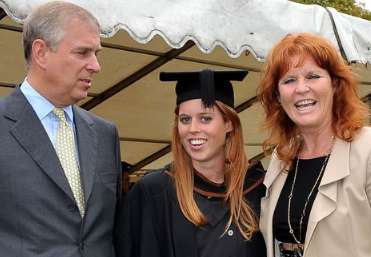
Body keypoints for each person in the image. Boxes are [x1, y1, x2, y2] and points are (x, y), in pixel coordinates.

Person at [0, 1, 122, 256]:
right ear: (41, 53)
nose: (96, 66)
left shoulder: (105, 133)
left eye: (96, 53)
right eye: (82, 53)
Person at [114, 68, 267, 257]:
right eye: (185, 119)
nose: (193, 129)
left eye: (205, 118)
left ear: (229, 124)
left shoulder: (257, 188)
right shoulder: (154, 192)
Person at [257, 32, 371, 257]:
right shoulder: (282, 156)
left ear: (335, 84)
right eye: (289, 80)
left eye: (312, 76)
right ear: (279, 96)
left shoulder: (366, 148)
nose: (301, 89)